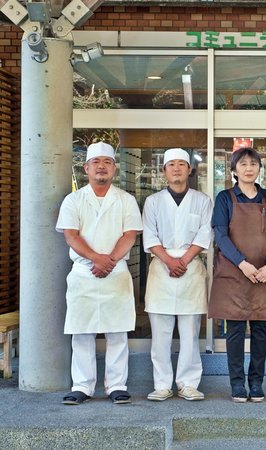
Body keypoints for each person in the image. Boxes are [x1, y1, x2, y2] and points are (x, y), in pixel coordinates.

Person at [56, 142, 143, 405]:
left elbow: (130, 235)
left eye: (107, 162)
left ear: (114, 168)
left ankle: (117, 385)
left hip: (115, 272)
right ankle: (82, 386)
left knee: (117, 332)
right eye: (96, 162)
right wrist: (97, 259)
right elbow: (71, 235)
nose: (102, 166)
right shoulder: (73, 200)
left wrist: (110, 261)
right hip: (84, 272)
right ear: (86, 168)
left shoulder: (126, 200)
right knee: (82, 332)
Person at [208, 147, 266, 403]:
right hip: (234, 275)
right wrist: (243, 264)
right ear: (234, 170)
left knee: (261, 332)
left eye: (253, 163)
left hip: (264, 275)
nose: (249, 168)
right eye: (243, 164)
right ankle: (237, 384)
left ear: (259, 168)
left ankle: (257, 383)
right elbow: (220, 234)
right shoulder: (225, 197)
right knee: (235, 333)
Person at [142, 148, 213, 402]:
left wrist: (182, 260)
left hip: (190, 267)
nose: (176, 168)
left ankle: (188, 383)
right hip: (161, 269)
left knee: (190, 333)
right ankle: (161, 384)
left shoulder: (202, 200)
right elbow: (149, 236)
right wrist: (169, 261)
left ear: (190, 170)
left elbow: (205, 234)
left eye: (181, 164)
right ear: (164, 171)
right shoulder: (153, 201)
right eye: (171, 164)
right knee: (160, 334)